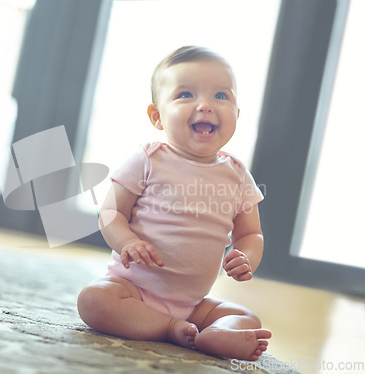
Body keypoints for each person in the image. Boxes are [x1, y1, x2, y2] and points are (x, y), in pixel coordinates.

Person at [77, 46, 271, 361]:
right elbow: (111, 213)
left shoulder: (237, 176)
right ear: (157, 116)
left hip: (193, 304)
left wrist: (246, 256)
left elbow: (251, 234)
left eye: (221, 96)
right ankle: (169, 328)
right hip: (132, 290)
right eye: (186, 95)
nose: (206, 105)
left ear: (237, 114)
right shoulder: (148, 159)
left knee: (246, 318)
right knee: (94, 300)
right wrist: (127, 241)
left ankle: (213, 333)